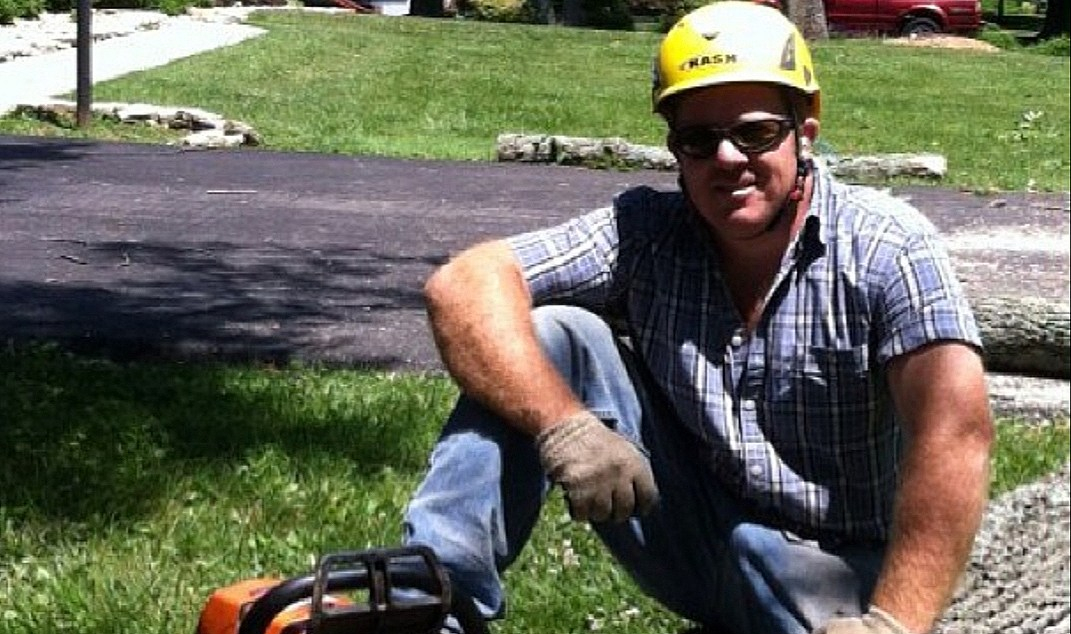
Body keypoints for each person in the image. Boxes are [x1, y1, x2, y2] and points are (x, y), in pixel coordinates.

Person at [400, 2, 994, 632]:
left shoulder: (888, 248)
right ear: (674, 149)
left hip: (834, 566)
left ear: (807, 128)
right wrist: (562, 425)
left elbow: (954, 433)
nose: (729, 158)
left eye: (758, 132)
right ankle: (428, 608)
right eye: (699, 140)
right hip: (688, 530)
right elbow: (463, 284)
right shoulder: (644, 233)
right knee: (556, 337)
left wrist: (893, 625)